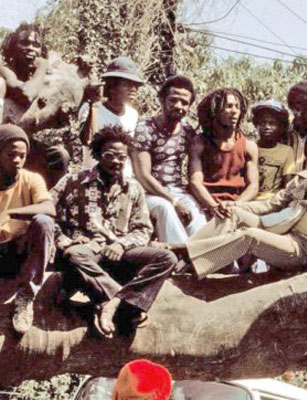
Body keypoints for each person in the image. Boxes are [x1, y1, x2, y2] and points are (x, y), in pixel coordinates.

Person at [178, 130, 307, 279]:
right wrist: (235, 207)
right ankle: (183, 259)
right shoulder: (304, 178)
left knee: (250, 237)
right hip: (280, 228)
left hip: (303, 248)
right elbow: (270, 205)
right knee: (232, 214)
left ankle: (187, 257)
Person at [51, 125, 177, 339]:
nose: (116, 161)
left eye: (122, 157)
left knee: (167, 258)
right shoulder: (72, 181)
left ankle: (113, 303)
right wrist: (66, 241)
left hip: (120, 253)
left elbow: (143, 228)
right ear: (98, 154)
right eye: (110, 155)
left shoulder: (133, 188)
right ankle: (118, 300)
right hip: (85, 253)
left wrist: (121, 244)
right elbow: (48, 215)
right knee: (74, 255)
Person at [132, 75, 206, 244]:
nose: (179, 106)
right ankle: (179, 258)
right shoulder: (145, 129)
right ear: (161, 100)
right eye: (173, 100)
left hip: (178, 190)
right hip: (148, 192)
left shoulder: (187, 132)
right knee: (165, 209)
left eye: (184, 103)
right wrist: (173, 200)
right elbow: (143, 175)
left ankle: (201, 261)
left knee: (197, 215)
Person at [0, 124, 55, 335]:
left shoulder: (31, 179)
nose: (17, 160)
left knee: (44, 222)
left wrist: (11, 213)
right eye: (10, 154)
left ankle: (26, 295)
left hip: (20, 253)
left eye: (22, 156)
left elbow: (48, 208)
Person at [0, 23, 69, 188]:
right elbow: (27, 94)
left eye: (36, 45)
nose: (30, 48)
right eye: (24, 43)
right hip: (2, 145)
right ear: (12, 47)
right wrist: (43, 66)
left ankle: (48, 201)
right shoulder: (5, 70)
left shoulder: (42, 79)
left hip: (25, 145)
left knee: (59, 156)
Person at [190, 88, 259, 218]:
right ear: (215, 111)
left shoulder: (249, 146)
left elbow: (253, 186)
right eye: (229, 106)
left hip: (237, 205)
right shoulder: (200, 143)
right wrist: (213, 206)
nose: (234, 111)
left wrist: (236, 206)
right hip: (205, 203)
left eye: (238, 107)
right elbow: (195, 182)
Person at [79, 56, 142, 175]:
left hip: (123, 179)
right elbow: (88, 141)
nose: (133, 89)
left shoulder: (132, 114)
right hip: (94, 177)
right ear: (112, 87)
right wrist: (93, 105)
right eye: (127, 84)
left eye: (135, 85)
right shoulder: (91, 108)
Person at [251, 99, 295, 200]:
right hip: (249, 201)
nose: (267, 127)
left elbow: (288, 186)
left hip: (272, 203)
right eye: (262, 123)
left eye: (272, 123)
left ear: (281, 127)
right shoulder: (249, 147)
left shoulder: (286, 152)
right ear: (256, 125)